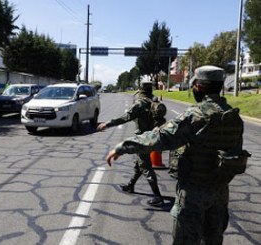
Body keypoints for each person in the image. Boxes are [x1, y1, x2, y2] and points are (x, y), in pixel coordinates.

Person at [106, 65, 248, 244]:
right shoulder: (234, 118)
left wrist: (123, 147)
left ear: (197, 86)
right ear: (220, 86)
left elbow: (160, 138)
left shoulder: (196, 115)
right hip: (220, 194)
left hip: (193, 195)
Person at [97, 81, 165, 207]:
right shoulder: (154, 102)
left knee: (145, 166)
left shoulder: (140, 104)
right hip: (153, 137)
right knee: (139, 164)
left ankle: (158, 196)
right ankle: (131, 185)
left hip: (141, 139)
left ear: (140, 91)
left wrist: (107, 124)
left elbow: (125, 117)